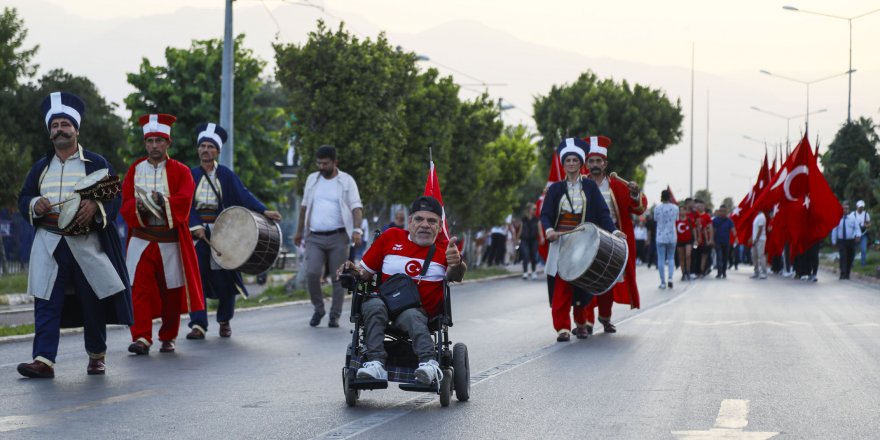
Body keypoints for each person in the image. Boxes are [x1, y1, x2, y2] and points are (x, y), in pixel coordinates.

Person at [16, 92, 133, 378]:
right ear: (50, 132)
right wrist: (34, 204)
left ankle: (96, 356)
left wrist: (95, 205)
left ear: (76, 129)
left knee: (91, 301)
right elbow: (24, 197)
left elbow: (114, 199)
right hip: (49, 244)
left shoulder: (96, 163)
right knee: (46, 301)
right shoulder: (40, 168)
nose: (60, 129)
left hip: (85, 244)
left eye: (65, 124)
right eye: (54, 125)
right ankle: (43, 359)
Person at [338, 196, 466, 384]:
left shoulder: (444, 249)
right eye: (419, 219)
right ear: (409, 221)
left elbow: (457, 275)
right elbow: (364, 272)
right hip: (384, 304)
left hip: (420, 312)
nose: (425, 225)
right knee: (373, 305)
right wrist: (352, 270)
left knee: (411, 315)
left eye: (431, 221)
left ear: (439, 226)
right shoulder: (390, 237)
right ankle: (375, 364)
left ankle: (429, 364)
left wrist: (457, 263)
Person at [185, 123, 282, 340]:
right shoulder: (189, 175)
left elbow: (243, 195)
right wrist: (196, 225)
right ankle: (198, 324)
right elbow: (185, 204)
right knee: (196, 278)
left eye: (211, 146)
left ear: (217, 151)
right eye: (203, 146)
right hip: (197, 234)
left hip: (224, 233)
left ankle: (224, 319)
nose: (206, 150)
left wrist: (264, 210)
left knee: (225, 279)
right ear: (198, 150)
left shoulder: (226, 175)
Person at [122, 113, 204, 355]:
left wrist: (162, 201)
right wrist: (135, 207)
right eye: (150, 141)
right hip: (141, 239)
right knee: (139, 289)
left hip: (169, 241)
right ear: (145, 143)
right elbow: (124, 201)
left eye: (159, 140)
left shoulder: (181, 171)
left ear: (168, 143)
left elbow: (185, 200)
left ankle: (168, 336)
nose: (154, 145)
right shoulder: (135, 169)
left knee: (172, 291)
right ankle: (141, 337)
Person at [540, 138, 618, 342]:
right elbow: (545, 214)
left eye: (575, 160)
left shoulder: (590, 187)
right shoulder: (555, 189)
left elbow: (602, 213)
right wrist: (549, 229)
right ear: (564, 164)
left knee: (583, 284)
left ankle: (581, 323)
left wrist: (615, 232)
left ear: (580, 163)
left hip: (584, 243)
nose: (572, 163)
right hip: (560, 243)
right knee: (561, 287)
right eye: (568, 160)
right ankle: (563, 328)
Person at [582, 135, 646, 333]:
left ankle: (605, 317)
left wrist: (635, 194)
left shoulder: (617, 185)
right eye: (591, 161)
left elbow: (639, 208)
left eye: (598, 161)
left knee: (607, 280)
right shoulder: (579, 184)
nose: (595, 164)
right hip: (585, 238)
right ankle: (585, 321)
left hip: (611, 239)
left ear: (605, 163)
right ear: (586, 163)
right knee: (584, 280)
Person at [294, 145, 363, 328]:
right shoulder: (312, 180)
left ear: (335, 162)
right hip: (314, 237)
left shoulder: (346, 181)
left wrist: (357, 230)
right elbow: (304, 207)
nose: (321, 167)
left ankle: (334, 315)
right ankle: (319, 308)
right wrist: (299, 231)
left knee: (338, 277)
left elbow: (356, 207)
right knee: (312, 272)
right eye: (319, 163)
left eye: (325, 163)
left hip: (338, 237)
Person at [653, 190, 678, 289]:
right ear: (670, 197)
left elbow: (655, 220)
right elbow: (676, 219)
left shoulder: (657, 208)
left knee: (661, 260)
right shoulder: (675, 208)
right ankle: (671, 278)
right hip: (672, 235)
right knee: (671, 258)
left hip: (660, 236)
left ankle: (663, 282)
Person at [831, 201, 860, 280]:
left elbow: (857, 228)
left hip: (851, 241)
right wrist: (833, 241)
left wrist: (858, 235)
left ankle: (847, 273)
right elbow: (834, 230)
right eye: (843, 209)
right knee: (843, 257)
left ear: (849, 209)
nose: (845, 210)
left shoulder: (852, 218)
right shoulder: (837, 218)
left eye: (847, 209)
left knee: (850, 257)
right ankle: (842, 273)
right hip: (841, 241)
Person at [712, 205, 736, 279]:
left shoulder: (729, 221)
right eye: (721, 211)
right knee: (719, 257)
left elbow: (733, 230)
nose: (723, 212)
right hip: (717, 242)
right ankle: (719, 272)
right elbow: (713, 231)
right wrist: (712, 240)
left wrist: (736, 238)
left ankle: (724, 272)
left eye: (724, 211)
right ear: (719, 211)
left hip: (726, 242)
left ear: (727, 212)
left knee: (725, 258)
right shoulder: (715, 220)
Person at [519, 203, 540, 280]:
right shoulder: (523, 219)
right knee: (526, 256)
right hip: (524, 240)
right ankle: (525, 272)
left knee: (534, 256)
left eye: (535, 209)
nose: (535, 210)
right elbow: (520, 230)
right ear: (529, 210)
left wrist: (542, 238)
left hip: (534, 240)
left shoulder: (536, 219)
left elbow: (539, 229)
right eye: (534, 209)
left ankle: (533, 272)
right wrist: (517, 239)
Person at [675, 206, 695, 281]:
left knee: (688, 255)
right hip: (680, 241)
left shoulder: (689, 220)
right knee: (681, 257)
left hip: (688, 240)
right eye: (680, 211)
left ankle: (688, 271)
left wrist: (695, 239)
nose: (682, 212)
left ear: (686, 211)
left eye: (683, 210)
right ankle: (683, 273)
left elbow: (693, 230)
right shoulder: (676, 221)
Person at [750, 208, 768, 280]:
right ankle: (756, 271)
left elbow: (760, 229)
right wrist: (752, 238)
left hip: (760, 239)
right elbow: (755, 229)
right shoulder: (757, 216)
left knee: (761, 255)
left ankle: (764, 272)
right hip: (755, 239)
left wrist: (756, 238)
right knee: (754, 255)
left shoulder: (762, 216)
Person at [853, 200, 871, 266]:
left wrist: (865, 225)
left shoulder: (866, 214)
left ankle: (863, 264)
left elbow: (869, 224)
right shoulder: (853, 214)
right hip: (855, 235)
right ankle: (851, 263)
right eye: (860, 207)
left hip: (863, 234)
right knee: (853, 250)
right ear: (857, 206)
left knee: (863, 249)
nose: (861, 208)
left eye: (862, 207)